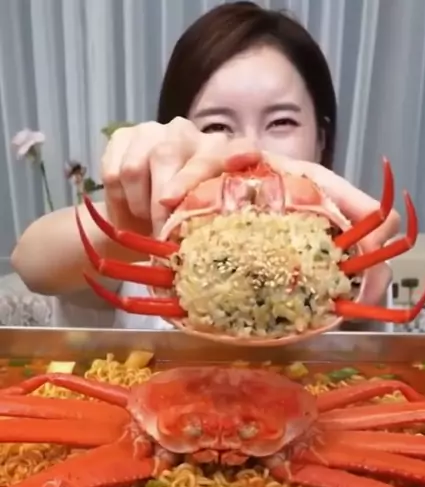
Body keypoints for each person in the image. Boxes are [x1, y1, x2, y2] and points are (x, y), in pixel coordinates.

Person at [11, 1, 400, 331]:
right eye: (216, 126)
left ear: (321, 138)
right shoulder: (154, 247)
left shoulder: (346, 255)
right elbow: (32, 262)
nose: (249, 149)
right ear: (176, 133)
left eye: (282, 122)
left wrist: (358, 292)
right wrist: (130, 224)